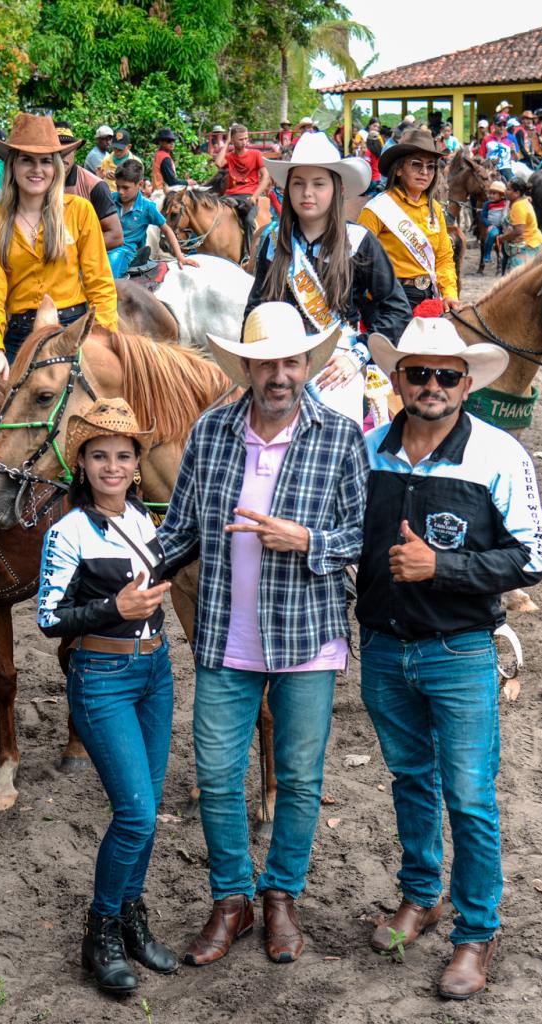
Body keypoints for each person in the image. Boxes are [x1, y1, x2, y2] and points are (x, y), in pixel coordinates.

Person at [156, 301, 367, 968]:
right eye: (267, 361)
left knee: (299, 780)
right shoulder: (212, 430)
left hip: (307, 633)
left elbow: (365, 533)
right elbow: (180, 527)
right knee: (217, 776)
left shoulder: (339, 435)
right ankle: (230, 897)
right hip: (224, 630)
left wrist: (306, 540)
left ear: (308, 364)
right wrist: (134, 567)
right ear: (245, 366)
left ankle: (280, 895)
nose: (280, 373)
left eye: (292, 360)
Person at [358, 310, 542, 1000]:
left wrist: (442, 567)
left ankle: (477, 930)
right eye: (418, 373)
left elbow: (534, 556)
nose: (431, 385)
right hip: (383, 647)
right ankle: (421, 892)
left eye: (445, 374)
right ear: (399, 379)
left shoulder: (499, 454)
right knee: (410, 777)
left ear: (466, 383)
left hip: (460, 648)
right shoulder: (370, 449)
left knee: (469, 795)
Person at [36, 397, 178, 995]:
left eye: (123, 455)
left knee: (145, 816)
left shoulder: (148, 521)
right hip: (101, 676)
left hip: (156, 673)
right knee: (136, 813)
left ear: (137, 464)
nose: (112, 466)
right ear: (83, 464)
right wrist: (112, 609)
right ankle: (99, 933)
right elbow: (48, 616)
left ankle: (129, 916)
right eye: (100, 456)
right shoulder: (68, 530)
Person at [248, 132, 411, 424]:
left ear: (336, 188)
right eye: (298, 183)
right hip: (277, 361)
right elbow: (255, 307)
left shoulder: (359, 241)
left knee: (339, 431)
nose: (307, 192)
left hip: (338, 363)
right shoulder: (272, 244)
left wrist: (358, 355)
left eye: (318, 184)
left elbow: (396, 308)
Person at [0, 113, 119, 375]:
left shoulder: (79, 211)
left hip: (73, 332)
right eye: (27, 160)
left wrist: (103, 338)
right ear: (12, 166)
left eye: (45, 161)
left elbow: (100, 284)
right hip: (19, 337)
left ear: (56, 167)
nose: (37, 170)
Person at [359, 127, 459, 312]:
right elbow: (357, 259)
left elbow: (444, 257)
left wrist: (450, 293)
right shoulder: (377, 209)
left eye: (431, 166)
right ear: (398, 170)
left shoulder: (435, 209)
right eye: (416, 164)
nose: (424, 172)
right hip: (390, 299)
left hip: (430, 295)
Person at [109, 160, 196, 277]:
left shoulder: (147, 207)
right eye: (118, 186)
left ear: (139, 185)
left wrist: (180, 256)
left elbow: (166, 229)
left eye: (125, 188)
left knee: (108, 277)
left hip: (124, 251)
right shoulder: (110, 199)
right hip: (104, 244)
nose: (120, 192)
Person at [57, 125, 126, 257]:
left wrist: (73, 253)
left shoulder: (95, 186)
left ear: (75, 151)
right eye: (58, 151)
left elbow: (116, 236)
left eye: (68, 150)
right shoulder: (39, 184)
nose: (63, 156)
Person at [213, 124, 270, 261]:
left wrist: (255, 196)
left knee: (249, 220)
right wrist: (226, 143)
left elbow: (266, 177)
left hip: (249, 196)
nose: (244, 142)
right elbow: (218, 163)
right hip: (231, 195)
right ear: (232, 139)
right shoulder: (230, 156)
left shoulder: (255, 154)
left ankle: (249, 255)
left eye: (246, 139)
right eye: (240, 139)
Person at [499, 179, 542, 270]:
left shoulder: (518, 206)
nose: (505, 191)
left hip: (528, 245)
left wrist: (502, 238)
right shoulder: (522, 201)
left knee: (517, 278)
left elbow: (519, 230)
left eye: (508, 189)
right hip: (531, 241)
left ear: (517, 193)